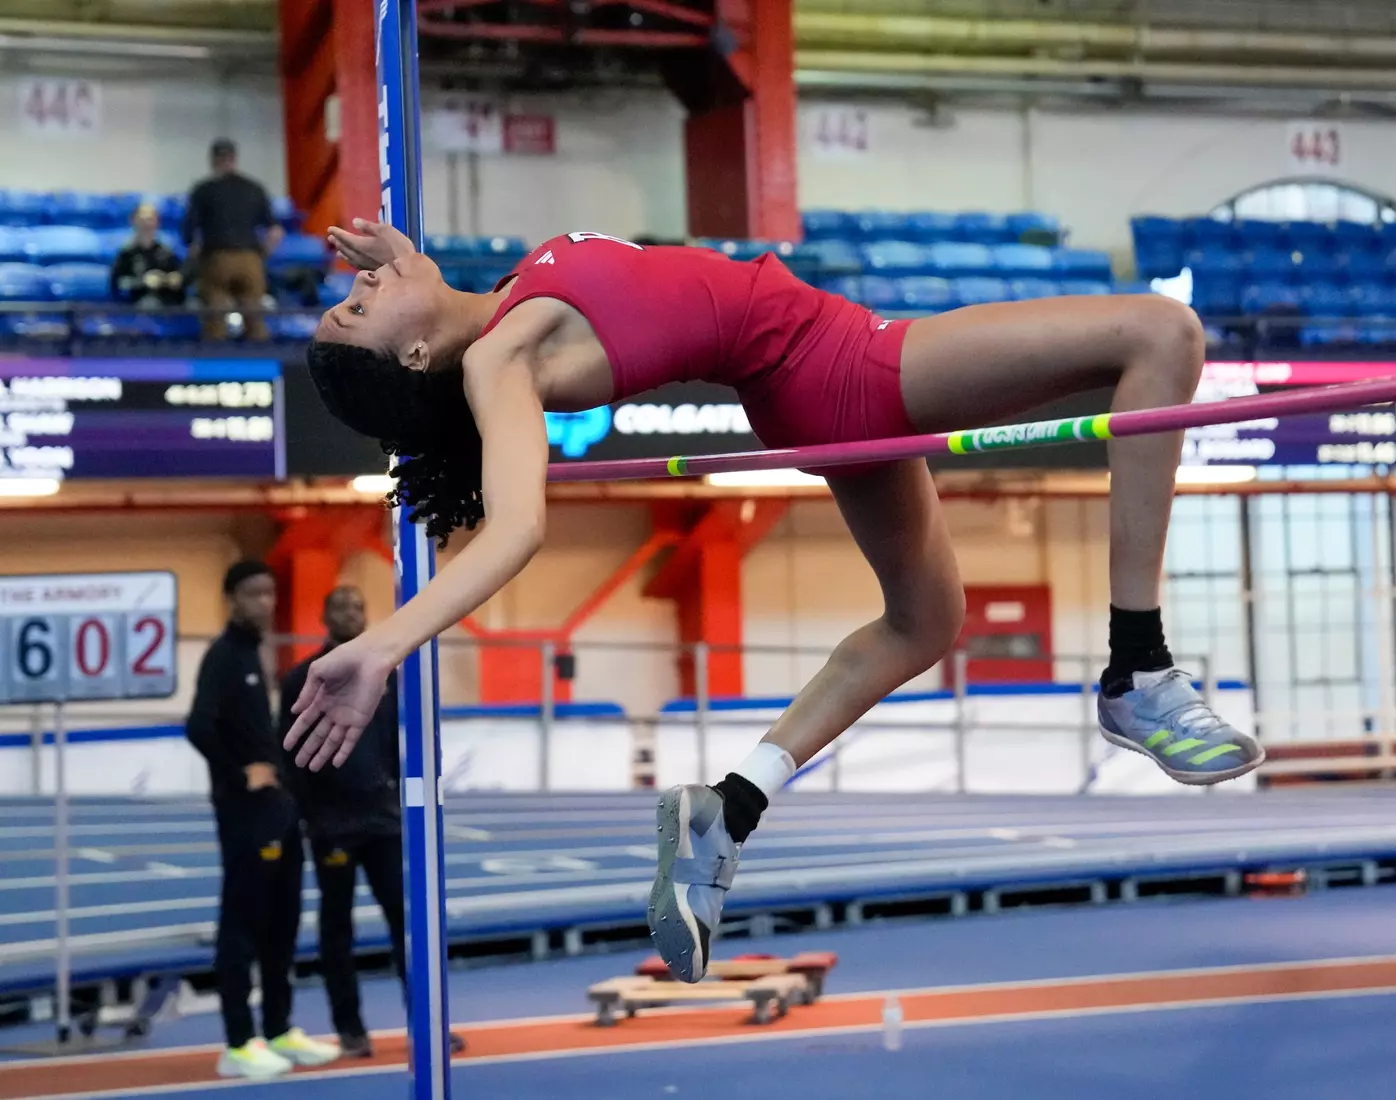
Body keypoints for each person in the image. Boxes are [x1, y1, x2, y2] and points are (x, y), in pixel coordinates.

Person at [284, 219, 1265, 986]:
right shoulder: (500, 361)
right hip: (840, 364)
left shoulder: (496, 309)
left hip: (808, 378)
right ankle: (1137, 663)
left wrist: (400, 259)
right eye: (356, 312)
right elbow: (512, 527)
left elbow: (428, 301)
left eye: (350, 294)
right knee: (1158, 331)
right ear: (414, 360)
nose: (358, 288)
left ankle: (729, 808)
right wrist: (384, 644)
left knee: (923, 621)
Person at [279, 586, 465, 1058]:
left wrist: (395, 797)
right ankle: (350, 1028)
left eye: (357, 606)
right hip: (332, 828)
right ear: (323, 614)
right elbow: (289, 755)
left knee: (406, 923)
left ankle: (426, 1025)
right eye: (339, 606)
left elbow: (388, 744)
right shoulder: (302, 678)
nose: (348, 613)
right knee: (337, 929)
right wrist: (311, 816)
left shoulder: (384, 678)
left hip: (381, 822)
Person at [185, 560, 339, 1077]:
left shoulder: (255, 654)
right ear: (232, 598)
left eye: (271, 593)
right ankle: (237, 1042)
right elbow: (199, 726)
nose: (266, 604)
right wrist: (239, 773)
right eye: (254, 594)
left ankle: (277, 1028)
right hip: (244, 814)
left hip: (277, 811)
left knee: (282, 923)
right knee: (243, 926)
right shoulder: (224, 656)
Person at [183, 138, 283, 342]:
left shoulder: (204, 189)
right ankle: (261, 367)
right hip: (250, 258)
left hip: (216, 258)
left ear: (213, 160)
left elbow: (188, 233)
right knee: (254, 317)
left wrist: (194, 252)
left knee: (216, 319)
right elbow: (275, 230)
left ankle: (216, 369)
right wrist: (263, 253)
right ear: (234, 158)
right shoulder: (254, 188)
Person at [109, 203, 186, 307]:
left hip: (168, 300)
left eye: (150, 219)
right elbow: (118, 284)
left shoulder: (166, 252)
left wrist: (175, 279)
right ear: (133, 222)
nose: (147, 224)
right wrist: (143, 282)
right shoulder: (126, 253)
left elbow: (180, 275)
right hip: (139, 302)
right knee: (150, 304)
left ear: (157, 222)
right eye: (142, 220)